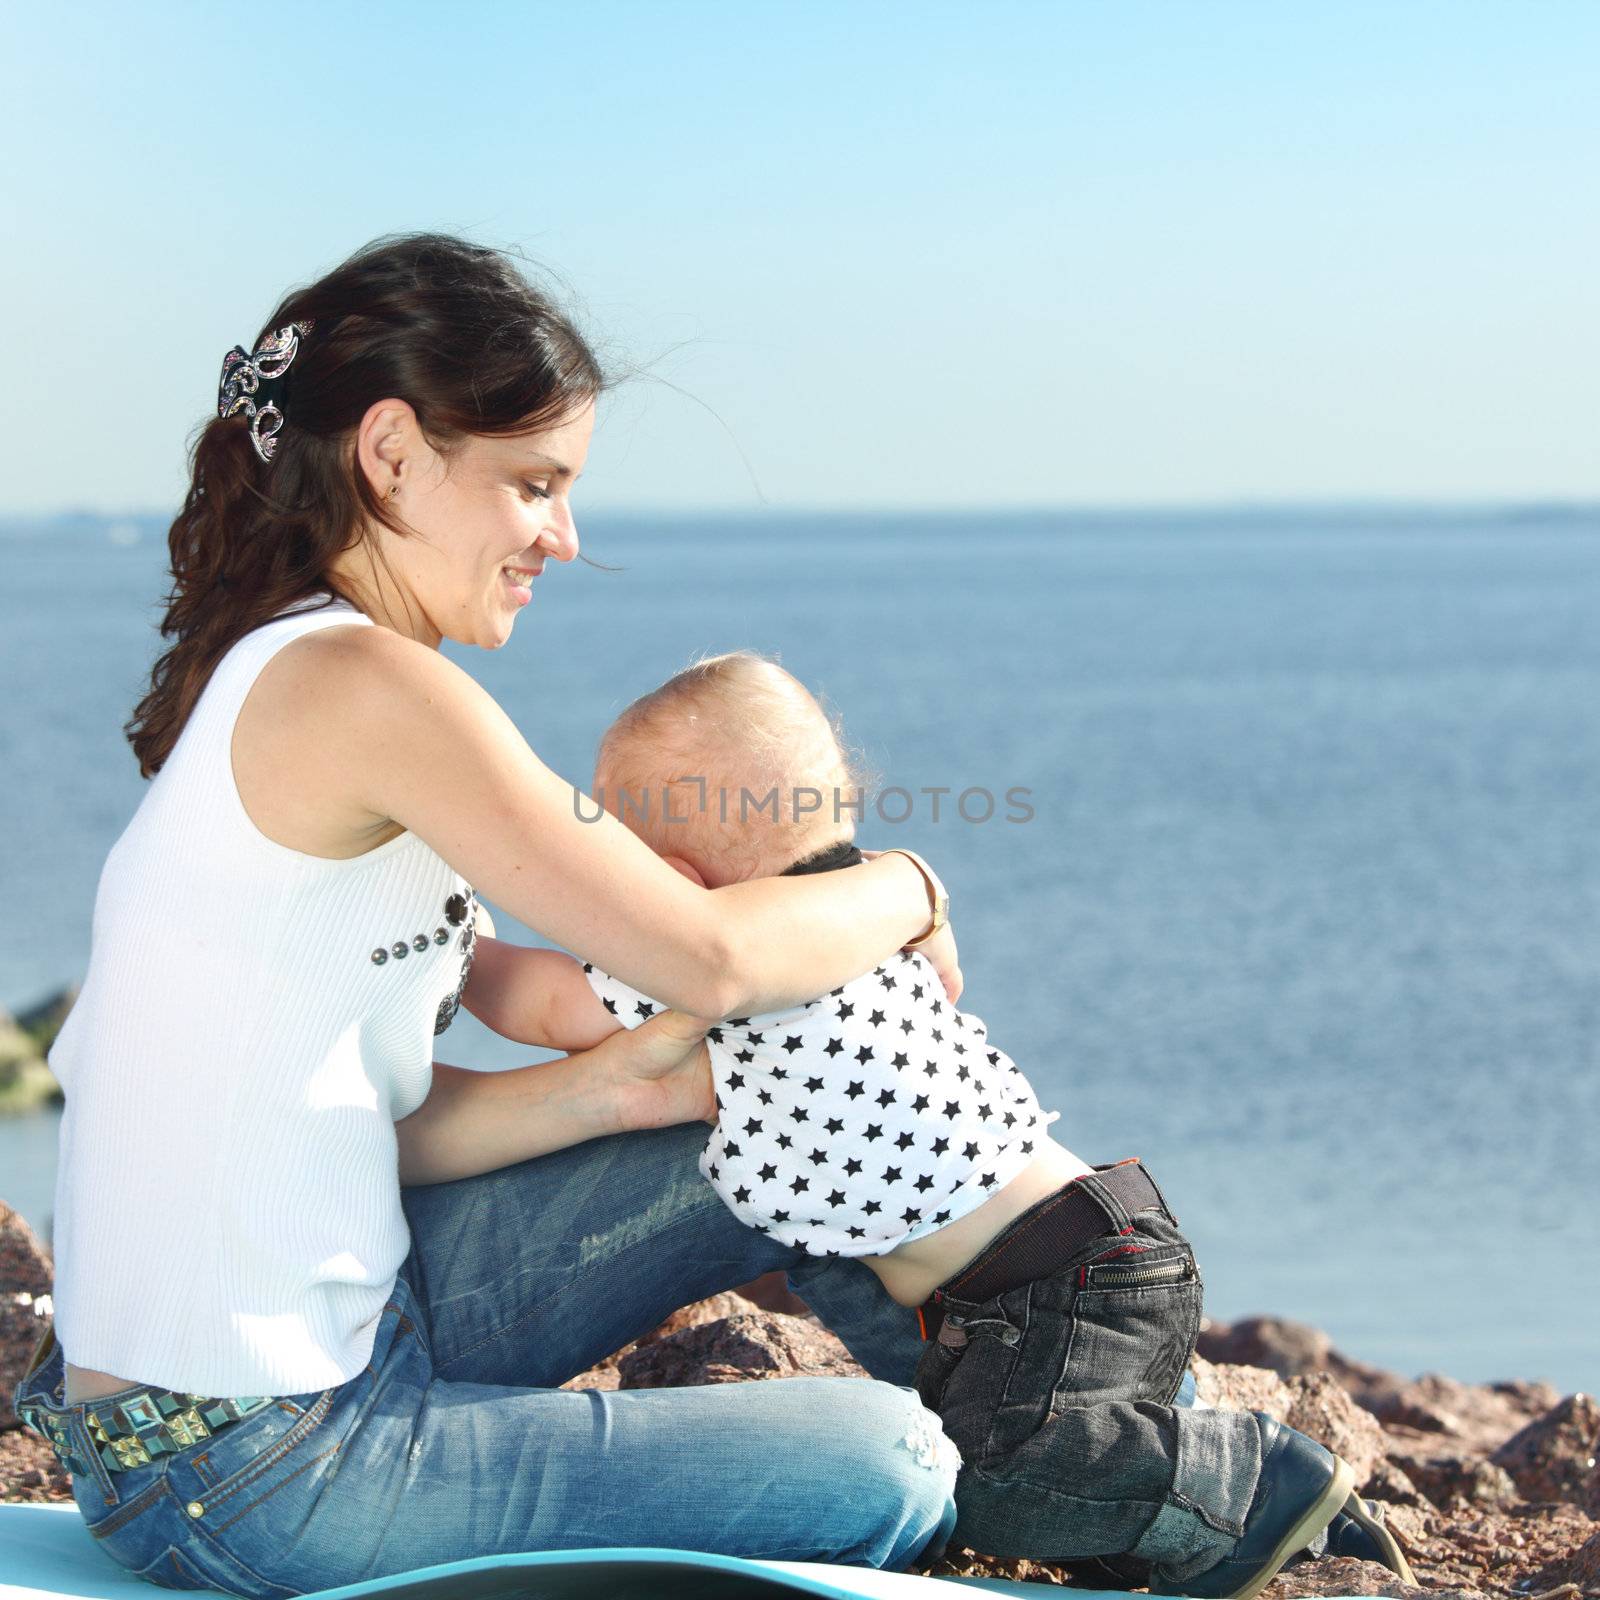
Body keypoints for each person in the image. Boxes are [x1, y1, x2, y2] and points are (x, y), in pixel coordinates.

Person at [10, 232, 969, 1598]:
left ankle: (1078, 1434)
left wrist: (625, 1094)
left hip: (287, 1381)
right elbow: (711, 952)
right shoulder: (362, 686)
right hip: (253, 1467)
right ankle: (1059, 1462)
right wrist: (912, 887)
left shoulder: (294, 670)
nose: (562, 539)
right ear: (392, 455)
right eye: (533, 486)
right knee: (897, 1465)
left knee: (793, 1109)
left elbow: (336, 1129)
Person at [464, 649, 1417, 1600]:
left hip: (1057, 1283)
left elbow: (538, 1007)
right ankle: (1208, 1521)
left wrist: (447, 929)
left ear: (671, 877)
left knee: (988, 1474)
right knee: (1057, 1475)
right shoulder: (861, 920)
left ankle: (1257, 1483)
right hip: (1091, 1250)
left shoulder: (728, 965)